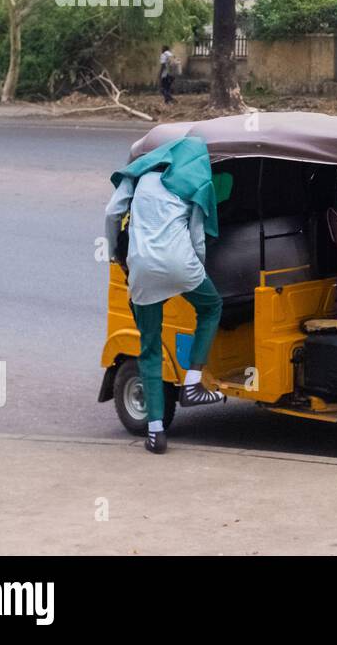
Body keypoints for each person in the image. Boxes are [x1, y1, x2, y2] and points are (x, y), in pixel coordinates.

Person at [104, 136, 226, 454]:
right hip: (181, 264)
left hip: (142, 268)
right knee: (211, 307)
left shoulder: (139, 177)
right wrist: (196, 274)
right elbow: (198, 238)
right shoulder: (195, 183)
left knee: (149, 348)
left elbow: (111, 212)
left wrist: (115, 252)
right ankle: (192, 382)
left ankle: (156, 432)